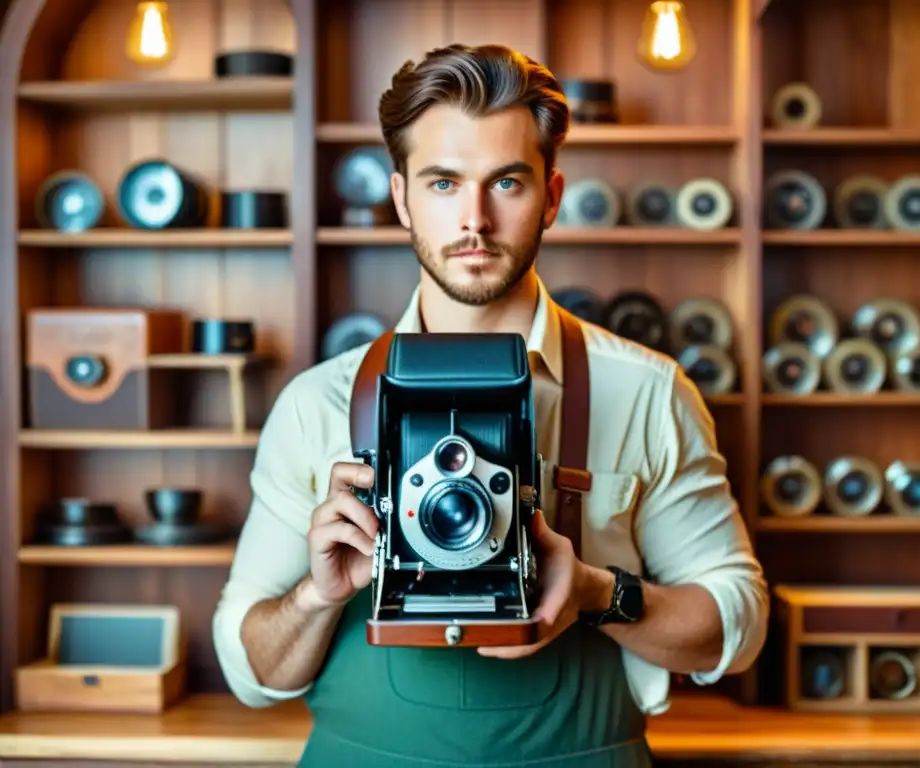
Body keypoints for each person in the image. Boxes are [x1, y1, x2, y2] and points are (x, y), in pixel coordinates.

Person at [212, 43, 769, 768]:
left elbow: (739, 626)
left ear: (553, 196)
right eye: (443, 183)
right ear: (402, 196)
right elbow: (252, 675)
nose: (474, 220)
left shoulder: (647, 391)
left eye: (506, 182)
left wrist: (598, 593)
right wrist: (315, 599)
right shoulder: (315, 405)